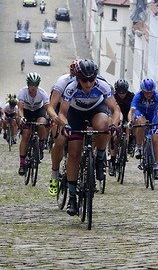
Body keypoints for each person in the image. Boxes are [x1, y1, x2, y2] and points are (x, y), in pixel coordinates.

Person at [58, 59, 120, 216]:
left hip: (96, 108)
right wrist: (65, 124)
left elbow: (115, 110)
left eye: (91, 79)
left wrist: (113, 124)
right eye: (84, 79)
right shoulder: (71, 88)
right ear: (78, 78)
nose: (88, 83)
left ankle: (100, 158)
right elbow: (62, 113)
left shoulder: (102, 85)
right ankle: (72, 198)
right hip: (75, 112)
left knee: (102, 125)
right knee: (74, 153)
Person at [45, 60, 77, 196]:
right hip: (60, 110)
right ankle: (54, 175)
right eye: (73, 74)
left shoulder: (88, 83)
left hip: (76, 110)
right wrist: (55, 118)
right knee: (60, 141)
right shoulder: (62, 82)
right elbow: (50, 107)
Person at [128, 78, 158, 180]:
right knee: (142, 123)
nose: (149, 95)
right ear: (142, 90)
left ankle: (156, 167)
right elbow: (131, 110)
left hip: (152, 115)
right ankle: (139, 147)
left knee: (155, 140)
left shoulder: (156, 95)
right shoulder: (138, 95)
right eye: (146, 92)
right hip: (140, 113)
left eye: (151, 92)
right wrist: (130, 121)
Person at [17, 73, 50, 176]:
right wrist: (22, 117)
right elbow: (20, 108)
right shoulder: (23, 92)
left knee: (41, 124)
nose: (33, 87)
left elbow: (47, 108)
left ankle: (41, 146)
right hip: (26, 111)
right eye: (31, 84)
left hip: (38, 111)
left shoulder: (42, 93)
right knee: (26, 135)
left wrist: (50, 117)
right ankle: (22, 164)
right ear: (28, 84)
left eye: (36, 84)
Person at [109, 78, 134, 176]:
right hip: (117, 114)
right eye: (120, 92)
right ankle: (113, 161)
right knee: (115, 137)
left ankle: (129, 144)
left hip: (128, 114)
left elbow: (131, 110)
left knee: (128, 128)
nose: (122, 95)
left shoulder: (131, 96)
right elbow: (117, 111)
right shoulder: (114, 96)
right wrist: (118, 121)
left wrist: (129, 121)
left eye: (124, 92)